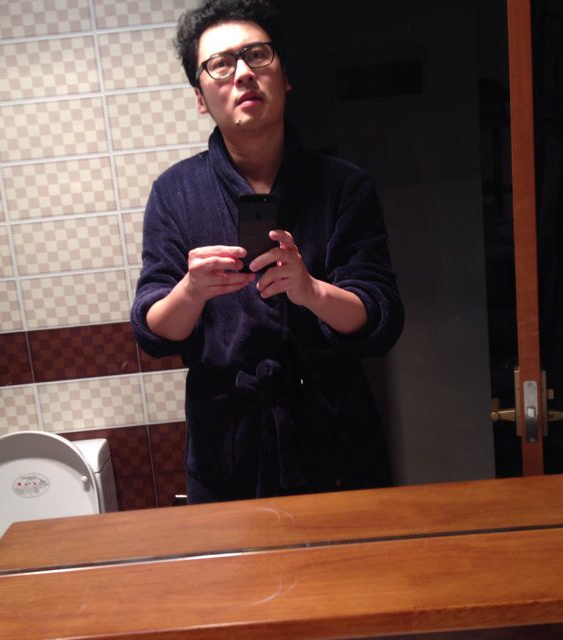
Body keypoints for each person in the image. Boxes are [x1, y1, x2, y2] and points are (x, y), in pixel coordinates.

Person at [131, 0, 404, 504]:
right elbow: (152, 331)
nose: (242, 73)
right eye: (220, 64)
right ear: (200, 98)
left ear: (286, 76)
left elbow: (379, 316)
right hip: (228, 442)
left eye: (257, 55)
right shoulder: (174, 192)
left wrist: (311, 291)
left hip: (335, 434)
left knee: (352, 556)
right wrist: (191, 291)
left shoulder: (344, 185)